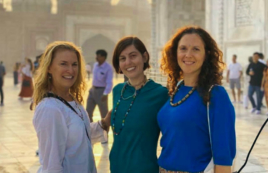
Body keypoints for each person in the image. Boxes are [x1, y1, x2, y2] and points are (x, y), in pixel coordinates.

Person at [158, 26, 236, 173]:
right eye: (183, 48)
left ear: (206, 54)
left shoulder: (216, 95)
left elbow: (223, 156)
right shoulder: (176, 90)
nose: (188, 54)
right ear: (175, 53)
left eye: (196, 49)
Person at [32, 41, 110, 173]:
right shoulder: (50, 108)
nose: (71, 70)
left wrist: (104, 122)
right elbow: (52, 166)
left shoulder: (71, 99)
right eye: (63, 64)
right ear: (49, 68)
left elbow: (78, 137)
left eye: (75, 64)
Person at [109, 36, 169, 173]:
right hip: (116, 168)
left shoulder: (160, 94)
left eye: (133, 56)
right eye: (122, 58)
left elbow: (172, 134)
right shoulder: (118, 91)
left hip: (145, 169)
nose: (128, 62)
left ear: (145, 57)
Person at [86, 50, 113, 122]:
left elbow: (109, 82)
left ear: (103, 57)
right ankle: (90, 130)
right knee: (88, 113)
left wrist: (105, 93)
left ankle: (105, 132)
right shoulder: (95, 65)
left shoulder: (108, 68)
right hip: (93, 90)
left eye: (98, 56)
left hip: (101, 92)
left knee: (104, 115)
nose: (96, 57)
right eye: (96, 56)